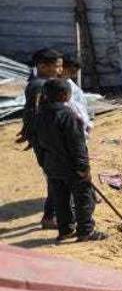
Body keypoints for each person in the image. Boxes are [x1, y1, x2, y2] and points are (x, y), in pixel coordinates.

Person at [33, 78, 105, 242]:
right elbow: (77, 145)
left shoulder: (39, 115)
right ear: (65, 95)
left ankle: (65, 229)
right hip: (72, 167)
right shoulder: (67, 116)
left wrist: (45, 164)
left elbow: (37, 144)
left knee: (61, 199)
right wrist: (83, 168)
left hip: (52, 166)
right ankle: (86, 231)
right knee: (83, 198)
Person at [17, 48, 63, 229]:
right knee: (56, 177)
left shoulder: (44, 83)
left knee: (57, 176)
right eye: (57, 66)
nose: (60, 70)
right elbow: (34, 114)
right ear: (43, 66)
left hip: (46, 140)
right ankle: (49, 216)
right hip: (47, 142)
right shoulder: (39, 86)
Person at [60, 56, 94, 136]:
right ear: (62, 68)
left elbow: (80, 104)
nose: (74, 75)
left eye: (75, 72)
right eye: (71, 71)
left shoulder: (70, 84)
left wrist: (88, 122)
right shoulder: (52, 86)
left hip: (79, 126)